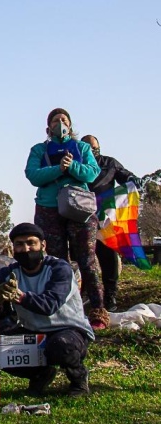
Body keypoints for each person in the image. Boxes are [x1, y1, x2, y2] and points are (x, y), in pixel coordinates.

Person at [0, 223, 94, 397]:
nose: (26, 249)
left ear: (43, 245)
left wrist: (19, 296)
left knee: (61, 346)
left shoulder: (59, 269)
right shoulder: (11, 271)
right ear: (13, 248)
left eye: (31, 243)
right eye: (19, 244)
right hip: (33, 331)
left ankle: (78, 379)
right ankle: (40, 374)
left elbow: (49, 305)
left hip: (68, 330)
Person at [25, 108, 107, 328]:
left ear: (70, 126)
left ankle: (98, 310)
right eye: (55, 121)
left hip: (79, 208)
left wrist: (73, 166)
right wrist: (57, 169)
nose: (59, 124)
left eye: (63, 120)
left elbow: (92, 173)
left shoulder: (82, 148)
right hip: (48, 209)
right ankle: (65, 308)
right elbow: (33, 175)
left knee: (87, 258)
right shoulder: (39, 150)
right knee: (57, 261)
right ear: (48, 127)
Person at [82, 134, 139, 312]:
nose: (92, 150)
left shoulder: (109, 163)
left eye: (95, 147)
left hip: (105, 218)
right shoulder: (77, 165)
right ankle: (86, 296)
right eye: (88, 147)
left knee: (109, 259)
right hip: (82, 217)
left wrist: (131, 178)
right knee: (84, 260)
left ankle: (110, 296)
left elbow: (124, 175)